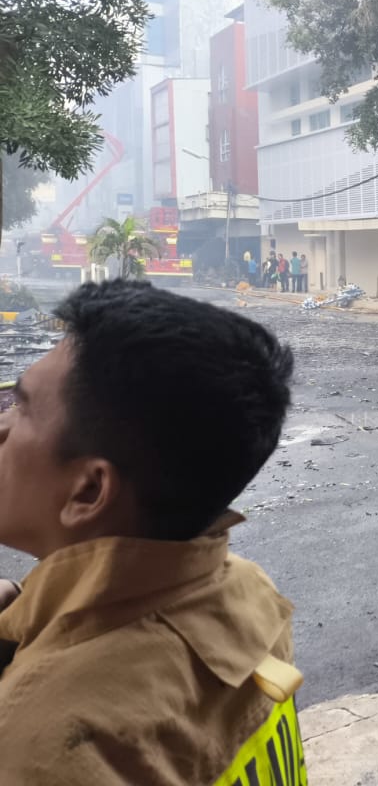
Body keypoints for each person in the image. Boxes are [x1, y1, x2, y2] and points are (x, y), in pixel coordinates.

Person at [0, 280, 299, 783]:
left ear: (89, 492)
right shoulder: (245, 590)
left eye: (20, 407)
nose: (1, 426)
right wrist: (24, 608)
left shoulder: (42, 739)